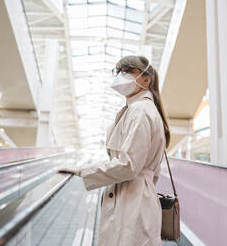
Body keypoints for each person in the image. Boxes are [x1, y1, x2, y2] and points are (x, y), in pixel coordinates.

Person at [58, 55, 171, 246]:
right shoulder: (138, 109)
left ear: (146, 79)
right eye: (118, 71)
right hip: (137, 198)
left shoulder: (140, 110)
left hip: (132, 203)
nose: (121, 75)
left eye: (128, 71)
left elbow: (129, 165)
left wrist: (83, 170)